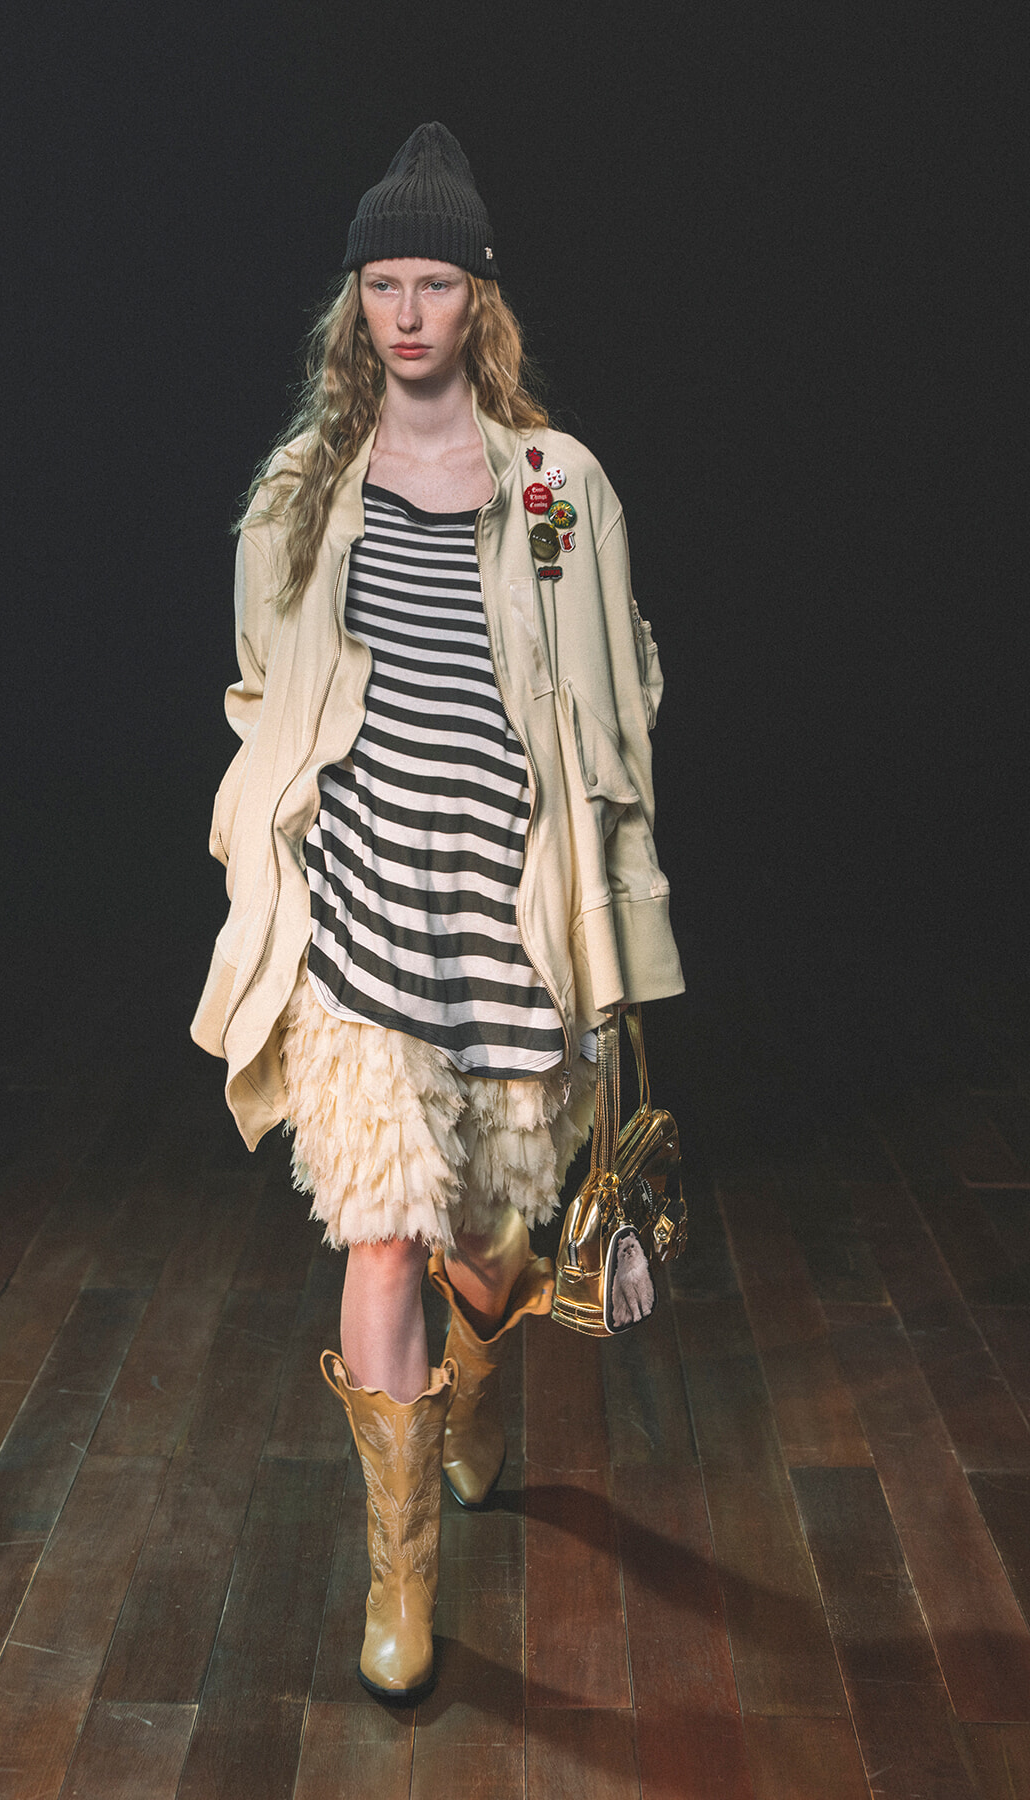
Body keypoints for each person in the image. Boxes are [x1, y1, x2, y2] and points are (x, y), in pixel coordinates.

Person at [191, 122, 684, 1702]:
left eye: (436, 282)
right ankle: (399, 1582)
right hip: (364, 909)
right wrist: (283, 813)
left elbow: (623, 696)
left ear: (480, 297)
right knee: (385, 1233)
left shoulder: (560, 488)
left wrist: (614, 899)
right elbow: (267, 685)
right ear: (356, 305)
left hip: (506, 911)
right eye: (384, 283)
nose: (409, 311)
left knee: (488, 1251)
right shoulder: (303, 491)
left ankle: (484, 1363)